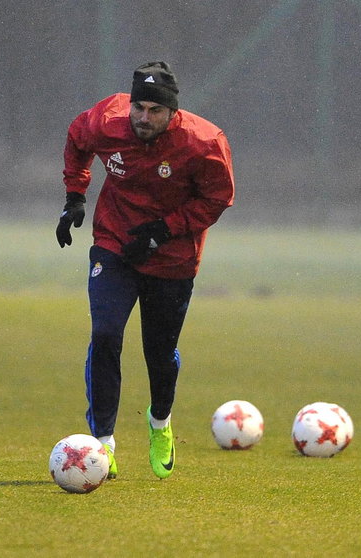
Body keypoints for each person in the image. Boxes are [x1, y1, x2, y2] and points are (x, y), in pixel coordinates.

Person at [56, 61, 235, 478]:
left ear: (173, 112)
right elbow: (76, 140)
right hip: (114, 244)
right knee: (105, 334)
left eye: (155, 110)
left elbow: (217, 199)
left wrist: (163, 230)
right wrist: (74, 195)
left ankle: (160, 423)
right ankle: (103, 442)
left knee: (158, 354)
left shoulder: (204, 141)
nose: (143, 117)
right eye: (139, 106)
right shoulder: (106, 120)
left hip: (173, 258)